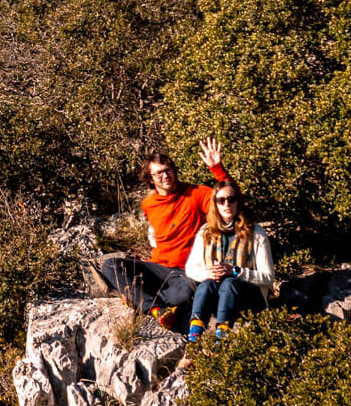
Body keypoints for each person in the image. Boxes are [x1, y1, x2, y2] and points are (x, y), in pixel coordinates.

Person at [100, 137, 232, 329]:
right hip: (157, 268)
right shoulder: (148, 204)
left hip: (186, 272)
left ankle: (140, 298)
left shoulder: (197, 194)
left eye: (168, 170)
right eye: (159, 173)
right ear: (150, 179)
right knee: (110, 265)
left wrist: (217, 169)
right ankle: (156, 308)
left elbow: (231, 199)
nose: (165, 175)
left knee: (187, 292)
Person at [185, 183, 274, 342]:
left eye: (231, 199)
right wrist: (209, 273)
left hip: (248, 299)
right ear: (215, 204)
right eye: (221, 200)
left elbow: (268, 277)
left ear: (238, 202)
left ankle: (222, 339)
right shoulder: (206, 232)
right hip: (216, 298)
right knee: (206, 285)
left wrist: (235, 271)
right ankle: (194, 340)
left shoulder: (255, 232)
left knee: (229, 284)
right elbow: (190, 268)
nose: (227, 204)